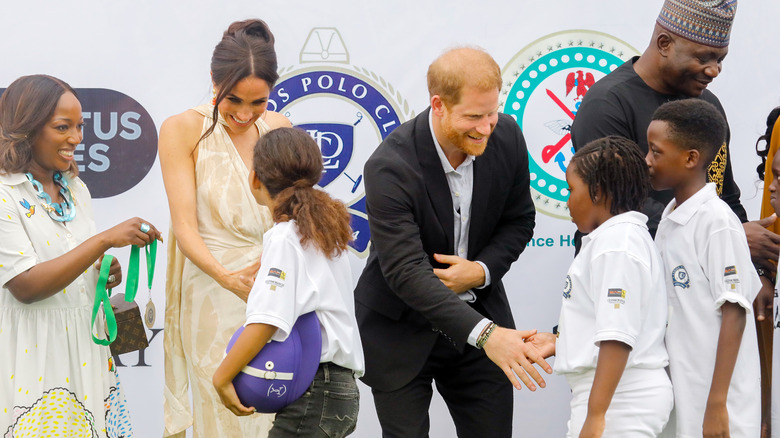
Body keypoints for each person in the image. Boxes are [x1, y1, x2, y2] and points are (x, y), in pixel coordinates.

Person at [354, 47, 551, 438]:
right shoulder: (390, 166)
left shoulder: (507, 136)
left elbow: (519, 219)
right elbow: (406, 272)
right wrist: (488, 335)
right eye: (473, 117)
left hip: (481, 318)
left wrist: (480, 271)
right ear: (438, 105)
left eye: (491, 112)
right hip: (401, 329)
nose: (485, 128)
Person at [0, 74, 162, 437]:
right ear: (26, 129)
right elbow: (24, 286)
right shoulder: (4, 193)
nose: (76, 138)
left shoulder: (76, 188)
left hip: (86, 347)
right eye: (63, 127)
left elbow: (74, 262)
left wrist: (102, 271)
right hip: (33, 355)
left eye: (80, 126)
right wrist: (103, 242)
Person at [570, 0, 780, 270]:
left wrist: (758, 269)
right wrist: (727, 238)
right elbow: (615, 204)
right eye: (702, 57)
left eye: (720, 59)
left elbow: (723, 195)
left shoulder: (708, 107)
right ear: (665, 43)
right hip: (624, 278)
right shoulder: (608, 104)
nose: (714, 70)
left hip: (698, 287)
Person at [159, 19, 291, 438]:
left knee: (275, 416)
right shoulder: (182, 129)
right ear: (213, 80)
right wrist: (228, 278)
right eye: (232, 99)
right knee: (224, 414)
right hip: (212, 293)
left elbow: (295, 220)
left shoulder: (282, 130)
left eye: (259, 102)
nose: (244, 114)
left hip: (275, 291)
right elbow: (184, 227)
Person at [213, 127, 364, 438]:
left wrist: (221, 378)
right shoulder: (324, 232)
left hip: (315, 390)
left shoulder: (285, 236)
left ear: (255, 178)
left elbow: (268, 321)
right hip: (338, 390)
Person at [528, 136, 672, 437]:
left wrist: (596, 416)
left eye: (570, 190)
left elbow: (617, 338)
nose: (567, 200)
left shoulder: (616, 246)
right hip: (613, 397)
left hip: (621, 401)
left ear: (597, 192)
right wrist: (562, 341)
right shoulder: (615, 240)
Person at [650, 99, 761, 437]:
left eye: (656, 152)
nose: (647, 161)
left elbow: (735, 312)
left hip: (719, 407)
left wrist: (717, 404)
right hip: (682, 398)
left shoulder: (717, 222)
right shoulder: (669, 218)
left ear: (691, 158)